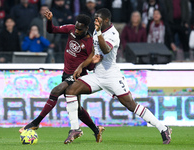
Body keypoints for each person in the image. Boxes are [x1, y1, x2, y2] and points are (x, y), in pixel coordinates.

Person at [64, 8, 172, 144]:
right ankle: (75, 129)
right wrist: (82, 66)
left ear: (107, 20)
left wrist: (98, 32)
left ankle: (163, 128)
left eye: (98, 19)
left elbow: (106, 49)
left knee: (131, 105)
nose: (95, 21)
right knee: (70, 90)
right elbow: (94, 52)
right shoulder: (97, 31)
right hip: (97, 76)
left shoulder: (113, 34)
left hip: (112, 77)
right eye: (95, 19)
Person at [19, 10, 105, 144]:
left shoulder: (89, 43)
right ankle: (96, 130)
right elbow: (51, 30)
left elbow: (90, 67)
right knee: (77, 109)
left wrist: (92, 63)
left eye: (80, 29)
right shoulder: (71, 29)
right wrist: (49, 20)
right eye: (76, 28)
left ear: (87, 28)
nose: (76, 31)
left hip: (78, 76)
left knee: (55, 91)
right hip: (66, 74)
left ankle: (36, 123)